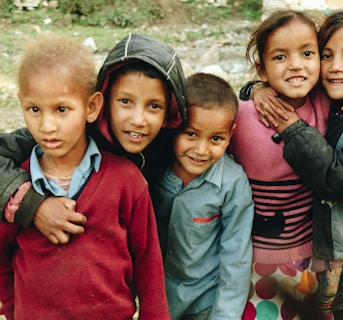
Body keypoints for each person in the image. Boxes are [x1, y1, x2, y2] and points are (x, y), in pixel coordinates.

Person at [0, 34, 170, 319]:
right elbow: (2, 258)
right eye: (34, 109)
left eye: (62, 109)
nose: (47, 125)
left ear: (92, 107)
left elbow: (148, 267)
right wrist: (14, 308)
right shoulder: (16, 183)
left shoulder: (127, 181)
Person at [251, 9, 343, 320]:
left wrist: (291, 126)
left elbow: (335, 177)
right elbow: (286, 75)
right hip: (327, 253)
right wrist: (256, 90)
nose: (336, 67)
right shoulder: (335, 97)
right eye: (326, 55)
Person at [0, 32, 187, 244]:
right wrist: (34, 206)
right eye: (125, 101)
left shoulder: (179, 143)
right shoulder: (71, 134)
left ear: (170, 114)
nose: (138, 120)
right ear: (102, 104)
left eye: (154, 106)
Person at [229, 9, 333, 320]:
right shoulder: (241, 116)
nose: (296, 64)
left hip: (313, 259)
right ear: (261, 69)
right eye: (280, 57)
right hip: (252, 261)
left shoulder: (328, 104)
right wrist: (254, 91)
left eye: (307, 53)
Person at [151, 72, 254, 319]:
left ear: (231, 134)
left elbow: (236, 256)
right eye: (190, 134)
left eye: (216, 138)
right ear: (173, 126)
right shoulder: (153, 167)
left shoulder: (232, 183)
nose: (200, 150)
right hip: (156, 300)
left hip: (205, 303)